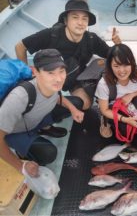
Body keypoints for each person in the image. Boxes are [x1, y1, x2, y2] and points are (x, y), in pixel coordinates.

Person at [15, 0, 121, 111]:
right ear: (66, 21)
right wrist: (26, 74)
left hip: (73, 76)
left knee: (84, 103)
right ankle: (46, 118)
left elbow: (112, 56)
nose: (80, 23)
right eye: (75, 17)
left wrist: (118, 44)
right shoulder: (51, 35)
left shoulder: (91, 39)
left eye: (84, 19)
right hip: (49, 77)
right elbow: (20, 46)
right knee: (41, 100)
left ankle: (56, 109)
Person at [0, 49, 84, 177]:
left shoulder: (52, 85)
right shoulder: (18, 98)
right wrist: (20, 166)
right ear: (35, 72)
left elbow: (56, 97)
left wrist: (73, 109)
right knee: (49, 154)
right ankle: (23, 153)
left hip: (36, 118)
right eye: (50, 73)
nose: (59, 79)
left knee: (77, 103)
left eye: (61, 71)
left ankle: (44, 129)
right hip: (16, 132)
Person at [95, 44, 137, 142]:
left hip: (130, 103)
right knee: (123, 129)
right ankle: (105, 122)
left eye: (126, 64)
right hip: (112, 106)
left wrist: (131, 95)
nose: (122, 71)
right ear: (110, 65)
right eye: (116, 66)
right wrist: (126, 120)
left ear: (132, 63)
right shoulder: (104, 84)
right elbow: (105, 110)